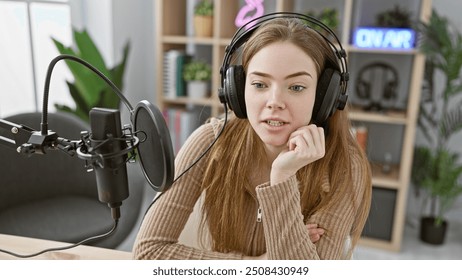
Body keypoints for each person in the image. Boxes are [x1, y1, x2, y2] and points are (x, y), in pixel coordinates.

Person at [133, 14, 372, 260]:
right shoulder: (210, 141)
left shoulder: (343, 165)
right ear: (237, 89)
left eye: (296, 87)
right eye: (259, 84)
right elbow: (149, 251)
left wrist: (282, 178)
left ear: (324, 98)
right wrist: (256, 265)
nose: (274, 102)